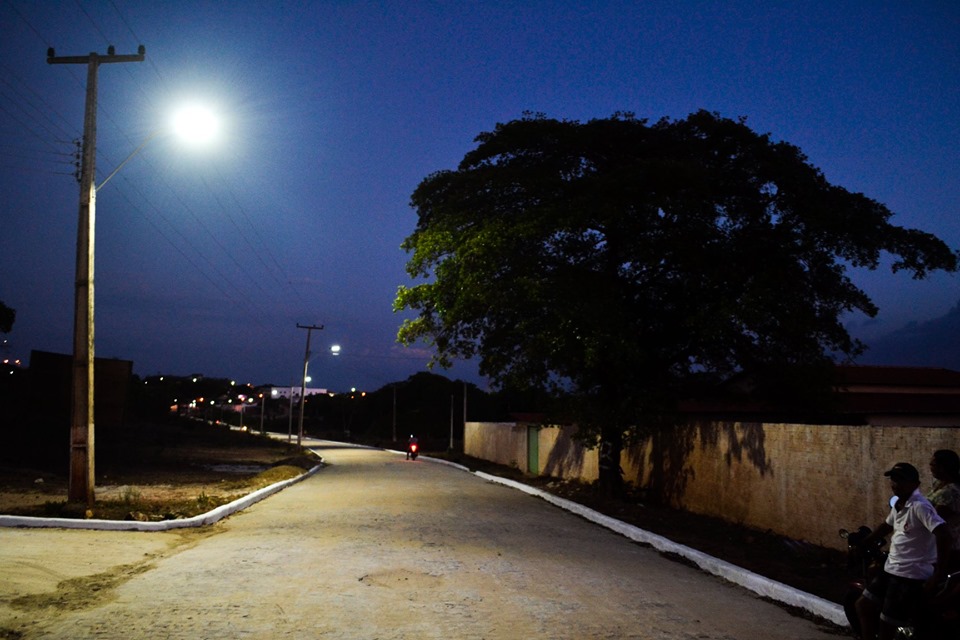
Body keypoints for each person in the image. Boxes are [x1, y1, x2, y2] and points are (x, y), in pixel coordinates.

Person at [855, 462, 952, 640]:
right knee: (864, 605)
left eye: (900, 480)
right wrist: (865, 542)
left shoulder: (920, 506)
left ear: (915, 484)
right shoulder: (900, 503)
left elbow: (943, 533)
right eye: (893, 479)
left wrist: (939, 572)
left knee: (887, 625)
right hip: (892, 569)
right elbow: (887, 525)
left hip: (910, 575)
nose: (895, 484)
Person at [928, 449, 960, 571]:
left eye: (933, 464)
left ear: (943, 467)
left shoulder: (951, 492)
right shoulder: (938, 484)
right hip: (935, 544)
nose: (930, 467)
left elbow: (934, 517)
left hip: (948, 548)